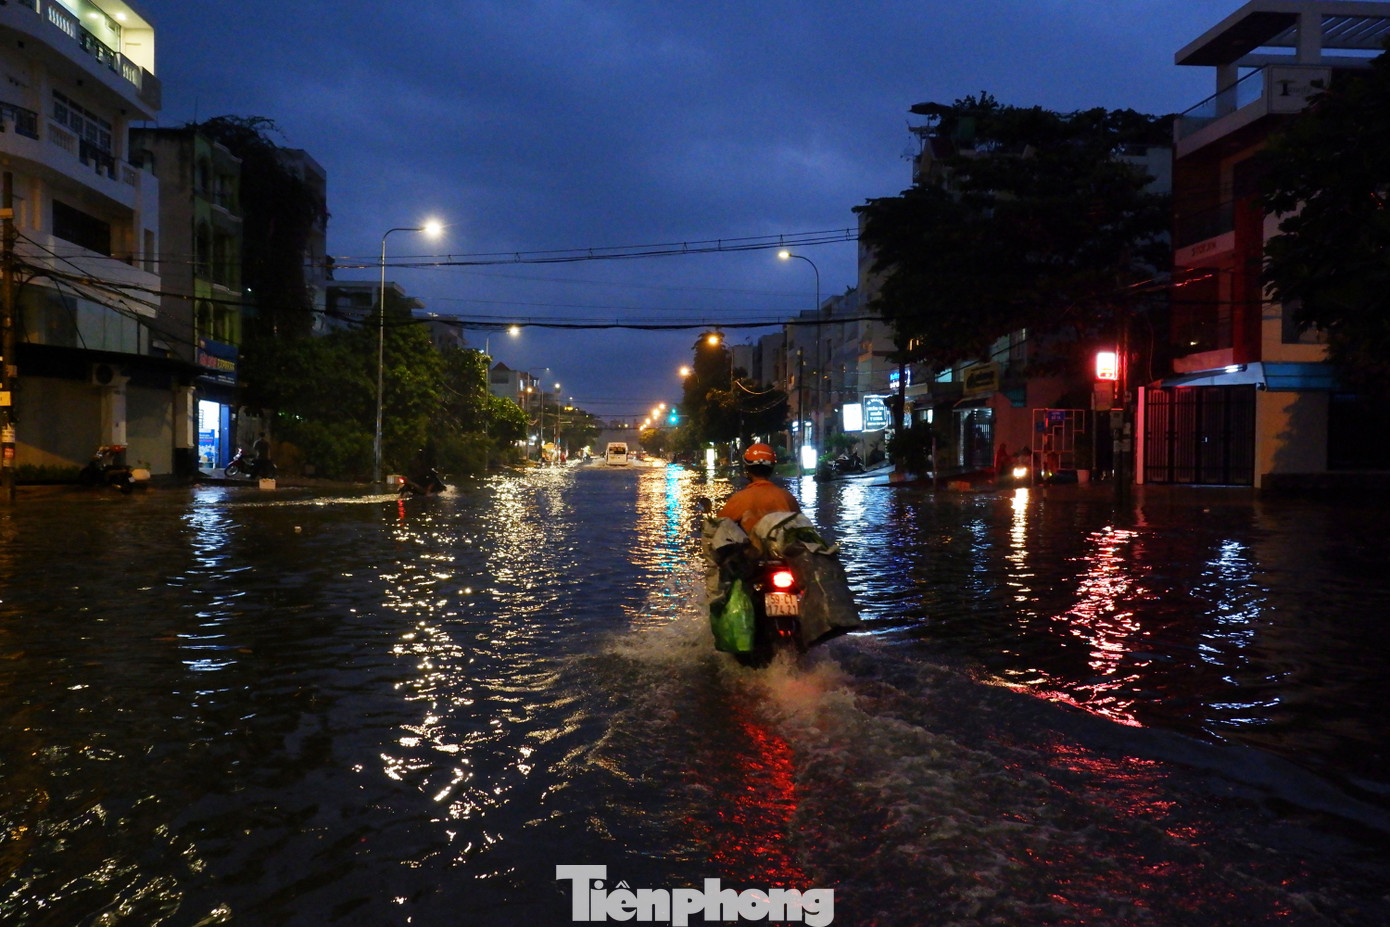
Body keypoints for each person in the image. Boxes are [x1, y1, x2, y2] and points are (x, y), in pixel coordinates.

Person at [718, 443, 800, 548]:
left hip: (751, 555)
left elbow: (717, 528)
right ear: (771, 468)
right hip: (784, 553)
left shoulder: (739, 499)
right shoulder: (787, 497)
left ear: (747, 469)